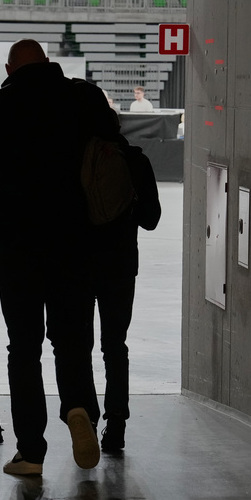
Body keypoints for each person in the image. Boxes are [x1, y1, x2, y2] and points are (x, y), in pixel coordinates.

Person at [0, 39, 105, 475]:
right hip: (75, 239)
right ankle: (78, 408)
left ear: (9, 69)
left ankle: (31, 452)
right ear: (47, 62)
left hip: (15, 244)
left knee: (23, 346)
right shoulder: (83, 99)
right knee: (72, 338)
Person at [88, 110, 162, 453]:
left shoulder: (75, 161)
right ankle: (116, 422)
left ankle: (85, 420)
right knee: (114, 345)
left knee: (77, 346)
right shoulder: (135, 161)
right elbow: (151, 219)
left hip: (79, 266)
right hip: (120, 265)